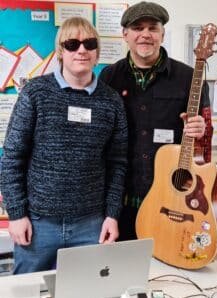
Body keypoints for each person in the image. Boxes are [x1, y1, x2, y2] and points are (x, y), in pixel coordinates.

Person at [0, 17, 128, 274]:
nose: (81, 50)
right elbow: (12, 157)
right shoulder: (35, 93)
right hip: (38, 225)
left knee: (86, 292)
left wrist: (112, 215)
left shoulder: (111, 101)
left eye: (89, 44)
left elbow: (118, 164)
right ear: (61, 51)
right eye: (72, 44)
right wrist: (16, 214)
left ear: (96, 52)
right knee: (28, 292)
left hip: (91, 225)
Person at [99, 1, 212, 241]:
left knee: (168, 272)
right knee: (121, 271)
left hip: (170, 199)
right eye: (138, 28)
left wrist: (202, 130)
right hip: (121, 202)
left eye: (152, 28)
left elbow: (204, 144)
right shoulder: (109, 77)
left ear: (162, 34)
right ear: (125, 35)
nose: (145, 35)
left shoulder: (189, 78)